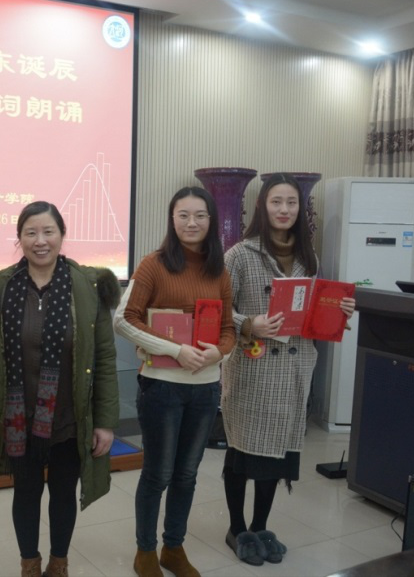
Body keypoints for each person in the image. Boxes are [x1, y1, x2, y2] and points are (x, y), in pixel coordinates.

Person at [0, 201, 121, 577]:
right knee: (25, 493)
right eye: (30, 233)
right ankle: (29, 565)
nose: (40, 241)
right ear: (19, 238)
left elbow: (104, 358)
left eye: (48, 232)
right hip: (18, 419)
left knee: (63, 493)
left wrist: (105, 422)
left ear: (62, 235)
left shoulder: (87, 286)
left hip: (69, 418)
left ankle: (59, 564)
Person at [219, 173, 355, 567]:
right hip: (254, 368)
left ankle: (260, 526)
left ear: (300, 209)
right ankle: (236, 528)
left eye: (291, 203)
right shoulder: (239, 254)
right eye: (276, 202)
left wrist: (338, 312)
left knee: (276, 455)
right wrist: (250, 323)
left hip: (294, 368)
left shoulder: (309, 257)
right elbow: (218, 310)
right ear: (262, 206)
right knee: (243, 451)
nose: (284, 210)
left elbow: (313, 316)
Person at [113, 186, 235, 577]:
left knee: (187, 474)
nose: (191, 222)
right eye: (183, 215)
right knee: (158, 474)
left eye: (200, 215)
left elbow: (229, 329)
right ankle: (145, 552)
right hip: (162, 386)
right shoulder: (154, 264)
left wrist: (219, 353)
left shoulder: (219, 271)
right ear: (172, 219)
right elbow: (123, 319)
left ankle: (174, 548)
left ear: (211, 221)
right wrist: (176, 349)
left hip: (205, 388)